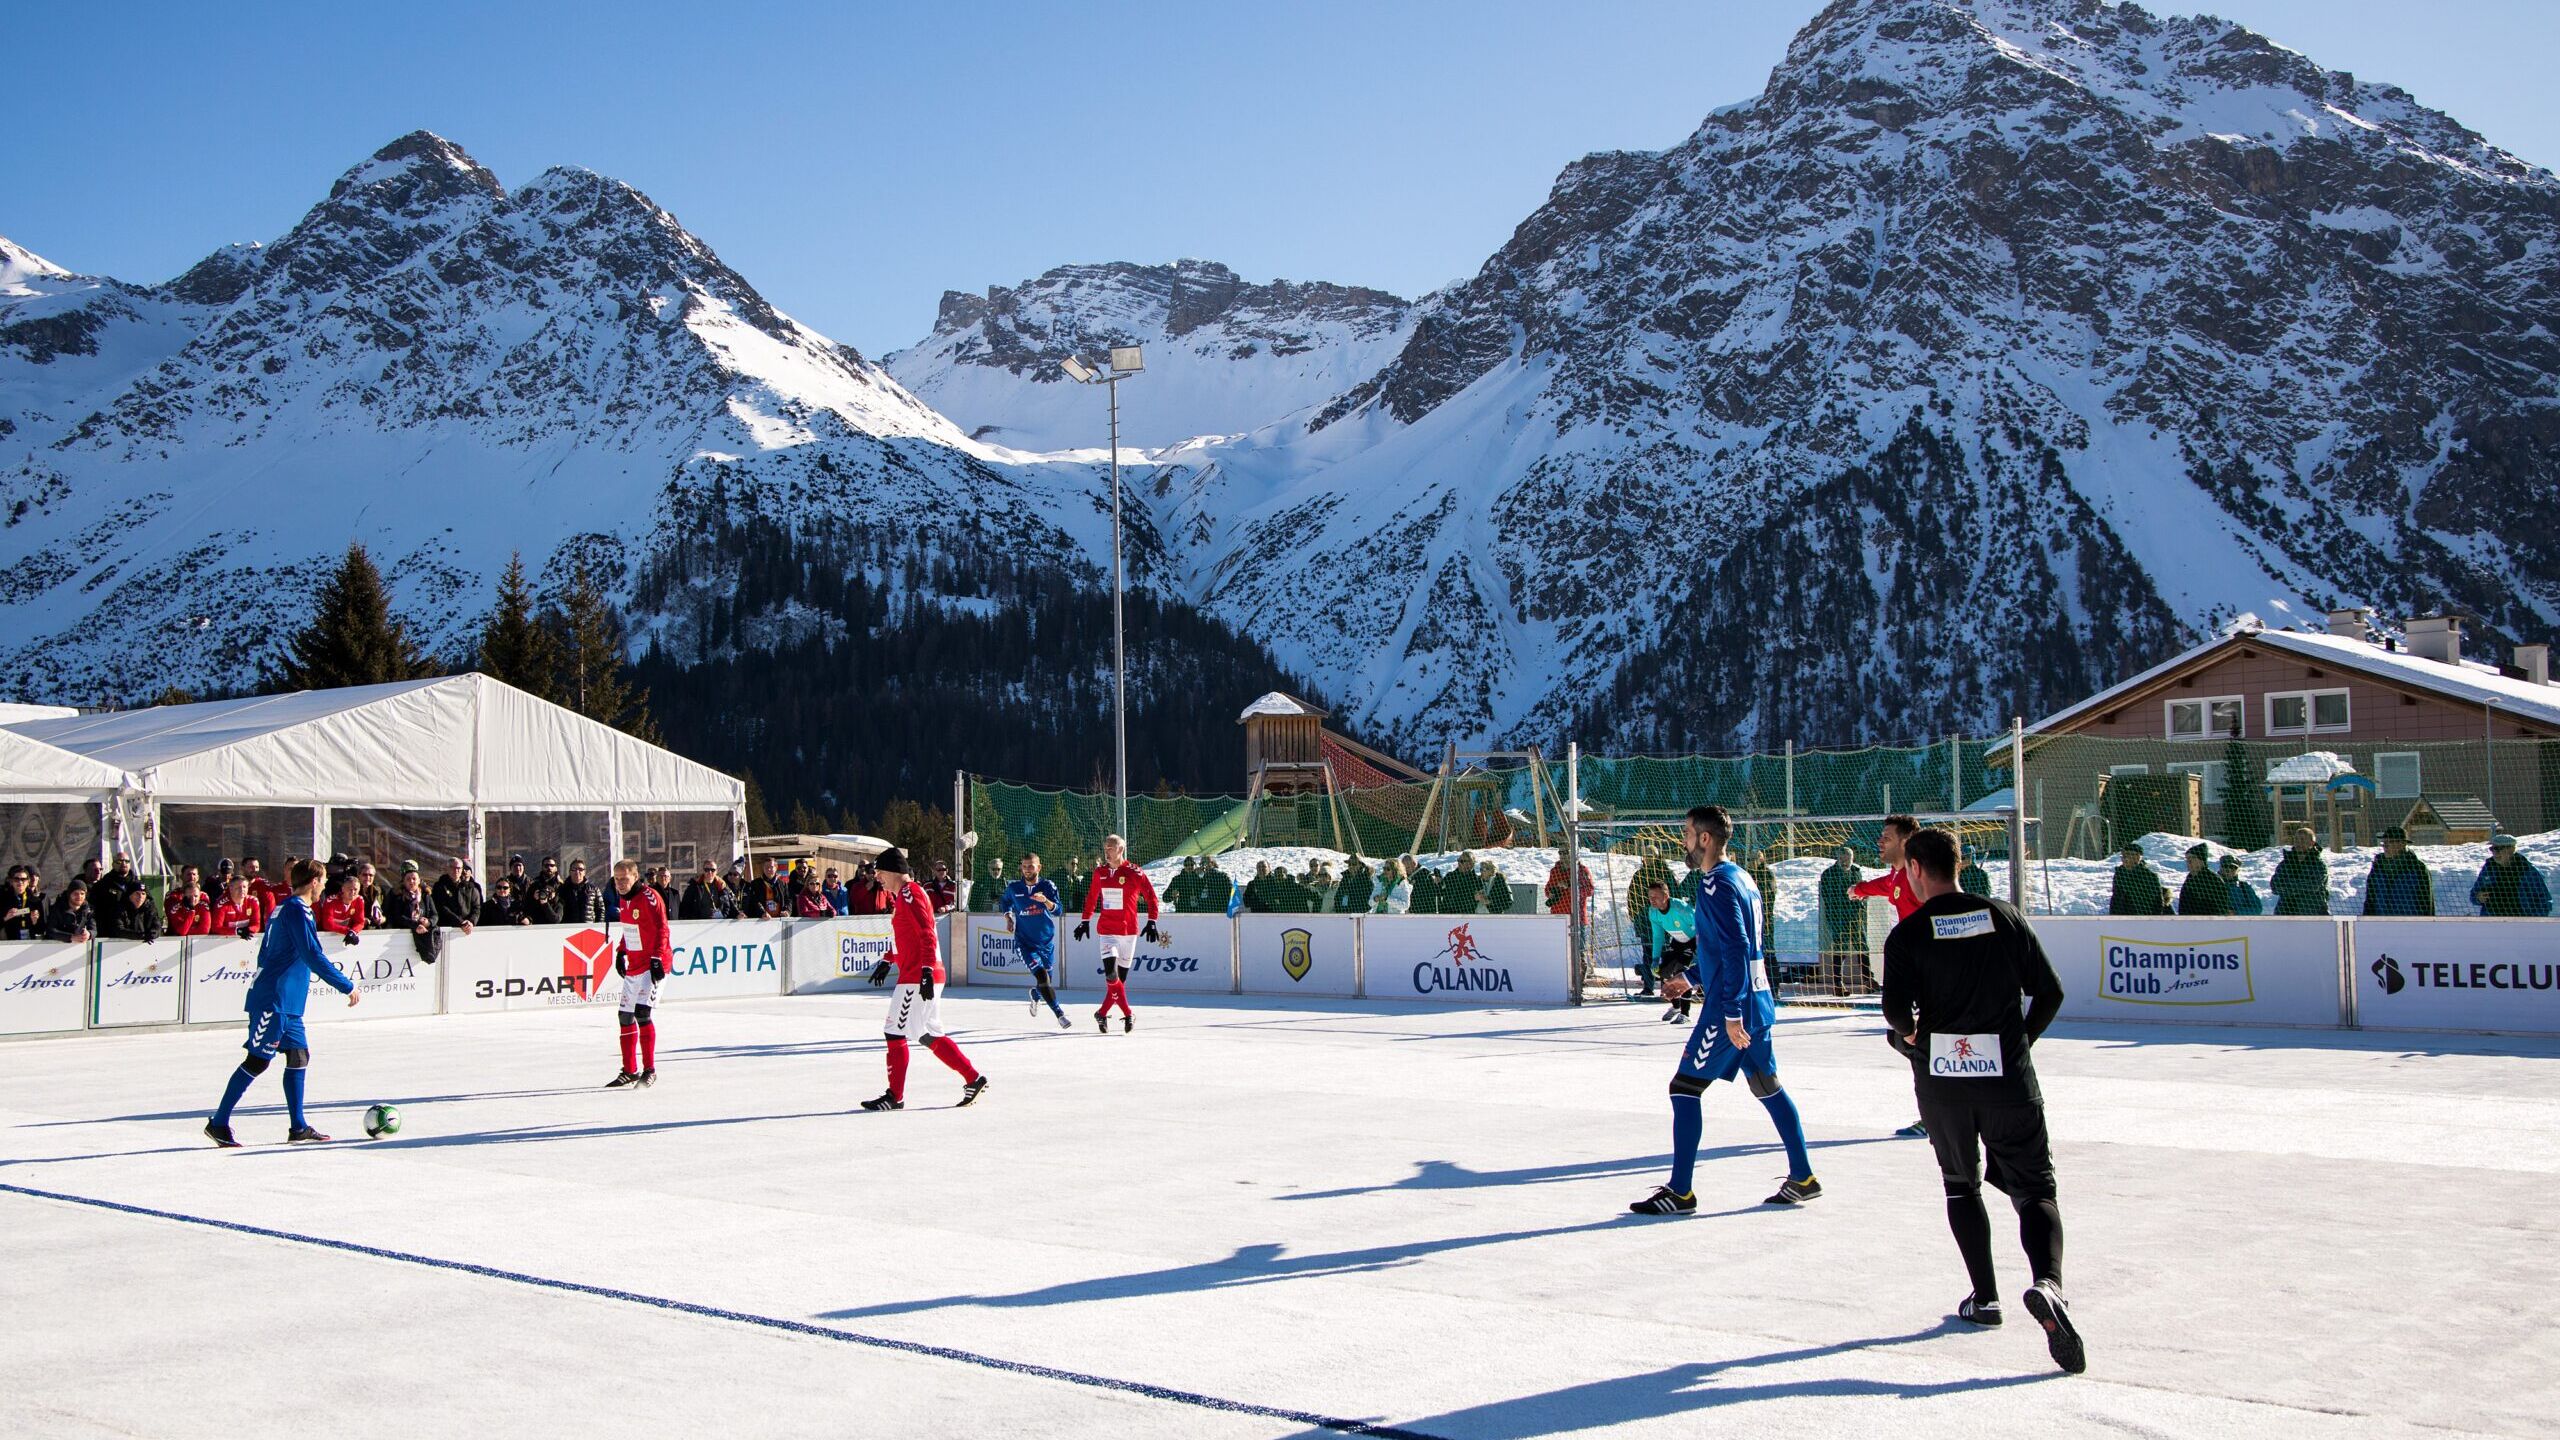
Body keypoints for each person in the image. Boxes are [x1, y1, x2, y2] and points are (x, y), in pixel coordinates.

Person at [1880, 827, 2082, 1373]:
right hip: (2007, 1079)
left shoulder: (1909, 933)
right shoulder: (2005, 917)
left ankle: (1985, 1296)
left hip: (1943, 1081)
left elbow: (1896, 1014)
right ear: (1959, 863)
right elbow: (2052, 990)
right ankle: (2048, 1284)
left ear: (1918, 869)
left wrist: (1911, 1038)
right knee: (2034, 1187)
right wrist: (2018, 1041)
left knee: (1961, 1184)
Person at [1629, 804, 1819, 1215]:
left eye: (1686, 832)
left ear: (1705, 839)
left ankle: (1680, 1192)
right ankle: (1802, 1177)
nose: (1683, 841)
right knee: (1767, 1085)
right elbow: (1735, 947)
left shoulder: (1715, 884)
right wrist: (1693, 978)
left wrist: (1730, 1013)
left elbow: (1734, 948)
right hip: (1756, 999)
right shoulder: (1743, 879)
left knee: (1683, 1089)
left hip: (1730, 1008)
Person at [203, 859, 359, 1147]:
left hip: (288, 1002)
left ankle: (298, 1127)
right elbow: (312, 955)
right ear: (314, 881)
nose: (325, 886)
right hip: (273, 1000)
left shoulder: (286, 909)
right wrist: (346, 985)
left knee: (299, 1057)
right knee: (258, 1060)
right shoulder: (296, 911)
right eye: (323, 880)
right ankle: (219, 1123)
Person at [860, 846, 988, 1110]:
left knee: (894, 1031)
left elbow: (926, 931)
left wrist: (926, 970)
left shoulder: (910, 893)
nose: (878, 878)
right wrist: (887, 959)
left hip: (916, 976)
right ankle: (973, 1078)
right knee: (927, 1033)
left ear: (892, 870)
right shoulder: (903, 896)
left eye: (880, 872)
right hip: (917, 973)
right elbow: (905, 937)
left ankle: (895, 1097)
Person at [1075, 833, 1160, 1034]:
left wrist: (1152, 921)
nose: (1106, 851)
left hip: (1129, 932)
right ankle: (1128, 1013)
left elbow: (1151, 897)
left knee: (1118, 982)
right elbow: (1091, 897)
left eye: (1110, 848)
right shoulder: (1100, 872)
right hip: (1107, 931)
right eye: (1105, 848)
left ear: (1121, 849)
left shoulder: (1135, 872)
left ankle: (1102, 1013)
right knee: (1111, 974)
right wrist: (1085, 921)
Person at [603, 859, 672, 1089]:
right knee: (624, 1016)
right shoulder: (623, 898)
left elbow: (663, 927)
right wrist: (621, 952)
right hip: (634, 964)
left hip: (654, 964)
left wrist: (657, 958)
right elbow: (629, 928)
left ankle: (649, 1069)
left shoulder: (650, 897)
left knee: (643, 1014)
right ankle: (629, 1070)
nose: (620, 883)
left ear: (635, 877)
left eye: (624, 878)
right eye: (617, 879)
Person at [1002, 853, 1069, 1029]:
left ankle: (1035, 994)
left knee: (1046, 980)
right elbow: (1006, 902)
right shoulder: (1014, 887)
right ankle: (1060, 1014)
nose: (1027, 870)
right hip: (1025, 943)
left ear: (1039, 867)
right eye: (1024, 866)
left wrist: (1045, 901)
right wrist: (1008, 918)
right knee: (1042, 977)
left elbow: (1058, 911)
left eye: (1031, 866)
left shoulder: (1047, 886)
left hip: (1046, 942)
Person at [1643, 879, 1698, 1024]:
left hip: (1694, 941)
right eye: (1650, 897)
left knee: (1682, 971)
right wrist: (1655, 958)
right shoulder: (1653, 912)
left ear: (1666, 896)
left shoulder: (1680, 908)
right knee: (1663, 971)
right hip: (1678, 942)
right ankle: (1676, 1007)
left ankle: (1685, 1014)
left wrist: (1702, 951)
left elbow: (1701, 924)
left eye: (1656, 897)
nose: (1652, 900)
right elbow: (1658, 935)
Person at [1817, 846, 1869, 997]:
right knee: (1841, 949)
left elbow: (1859, 890)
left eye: (1848, 859)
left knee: (1863, 947)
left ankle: (1868, 979)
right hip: (1838, 918)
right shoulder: (1829, 874)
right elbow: (1828, 897)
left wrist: (1862, 896)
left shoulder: (1856, 871)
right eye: (1843, 859)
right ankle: (1837, 983)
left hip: (1855, 917)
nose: (1845, 862)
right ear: (1838, 859)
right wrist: (1849, 897)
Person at [2470, 834, 2552, 917]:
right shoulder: (2488, 869)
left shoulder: (2528, 871)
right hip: (2492, 921)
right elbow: (2473, 895)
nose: (2495, 852)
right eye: (2492, 849)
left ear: (2511, 850)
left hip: (2520, 922)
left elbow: (2545, 901)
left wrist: (2533, 922)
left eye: (2499, 849)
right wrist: (2478, 897)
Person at [2362, 827, 2435, 917]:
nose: (2385, 846)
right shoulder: (2377, 868)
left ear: (2402, 844)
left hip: (2410, 926)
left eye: (2390, 842)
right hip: (2381, 926)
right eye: (2384, 843)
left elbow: (2427, 903)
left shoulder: (2417, 868)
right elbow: (2370, 901)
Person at [383, 861, 441, 964]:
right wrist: (415, 925)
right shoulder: (399, 896)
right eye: (408, 879)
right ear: (404, 882)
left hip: (423, 937)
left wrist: (429, 922)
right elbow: (398, 916)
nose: (411, 881)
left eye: (414, 879)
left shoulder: (426, 896)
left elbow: (435, 915)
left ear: (419, 881)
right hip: (402, 937)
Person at [2270, 827, 2330, 916]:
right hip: (2284, 913)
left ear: (2312, 843)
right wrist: (2300, 886)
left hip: (2312, 914)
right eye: (2296, 839)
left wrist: (2288, 886)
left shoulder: (2318, 865)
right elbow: (2275, 886)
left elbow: (2313, 886)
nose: (2299, 842)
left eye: (2302, 839)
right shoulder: (2285, 864)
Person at [2106, 843, 2167, 917]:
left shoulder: (2149, 877)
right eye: (2123, 855)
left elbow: (2158, 903)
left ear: (2137, 857)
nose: (2125, 858)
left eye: (2128, 854)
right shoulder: (2119, 874)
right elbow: (2115, 898)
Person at [431, 856, 482, 935]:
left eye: (459, 868)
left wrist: (471, 921)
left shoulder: (470, 887)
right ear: (447, 868)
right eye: (453, 867)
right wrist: (460, 922)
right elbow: (441, 907)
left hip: (467, 929)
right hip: (447, 930)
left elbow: (477, 907)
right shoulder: (439, 886)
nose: (456, 870)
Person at [2175, 844, 2230, 916]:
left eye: (2193, 857)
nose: (2189, 861)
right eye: (2187, 858)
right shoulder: (2189, 879)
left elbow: (2220, 909)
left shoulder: (2213, 880)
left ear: (2202, 860)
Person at [316, 872, 369, 942]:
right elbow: (327, 924)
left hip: (347, 938)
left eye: (355, 889)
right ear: (343, 889)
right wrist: (348, 931)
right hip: (326, 938)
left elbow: (360, 922)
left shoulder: (359, 900)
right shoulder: (331, 901)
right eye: (350, 889)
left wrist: (353, 932)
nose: (353, 892)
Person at [165, 871, 215, 937]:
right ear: (183, 896)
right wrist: (191, 912)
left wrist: (188, 930)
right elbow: (181, 932)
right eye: (189, 896)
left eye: (196, 896)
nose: (193, 899)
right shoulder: (176, 908)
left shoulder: (203, 906)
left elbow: (205, 930)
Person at [559, 858, 607, 926]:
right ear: (570, 872)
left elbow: (601, 910)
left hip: (588, 928)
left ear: (584, 872)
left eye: (580, 869)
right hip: (568, 929)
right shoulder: (562, 889)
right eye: (574, 869)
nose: (577, 872)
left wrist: (598, 926)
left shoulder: (593, 889)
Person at [1, 867, 44, 940]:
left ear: (28, 882)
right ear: (11, 881)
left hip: (29, 943)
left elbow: (41, 929)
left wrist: (35, 921)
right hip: (8, 944)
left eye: (23, 879)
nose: (20, 882)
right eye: (16, 879)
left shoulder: (36, 901)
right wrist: (6, 918)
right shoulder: (3, 900)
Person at [525, 856, 566, 925]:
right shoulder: (534, 884)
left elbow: (563, 906)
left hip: (556, 926)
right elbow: (527, 906)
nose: (549, 868)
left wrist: (553, 899)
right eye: (546, 865)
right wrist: (534, 899)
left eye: (552, 865)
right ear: (542, 867)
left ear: (555, 868)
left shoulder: (560, 886)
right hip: (537, 925)